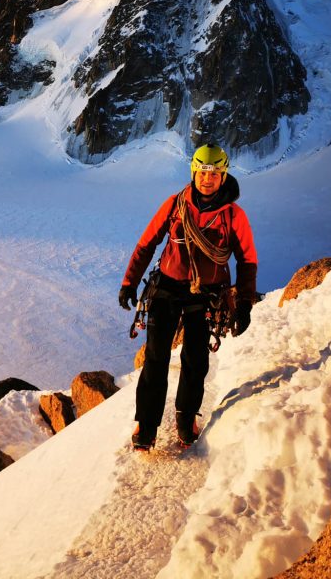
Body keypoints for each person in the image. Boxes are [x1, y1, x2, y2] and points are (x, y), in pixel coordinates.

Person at [118, 143, 257, 450]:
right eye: (202, 172)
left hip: (206, 294)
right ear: (194, 172)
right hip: (167, 288)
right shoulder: (175, 204)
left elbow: (247, 259)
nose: (207, 179)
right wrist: (130, 281)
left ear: (223, 176)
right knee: (155, 356)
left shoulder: (233, 216)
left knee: (195, 359)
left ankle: (186, 418)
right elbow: (147, 243)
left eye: (214, 173)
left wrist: (245, 303)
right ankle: (147, 424)